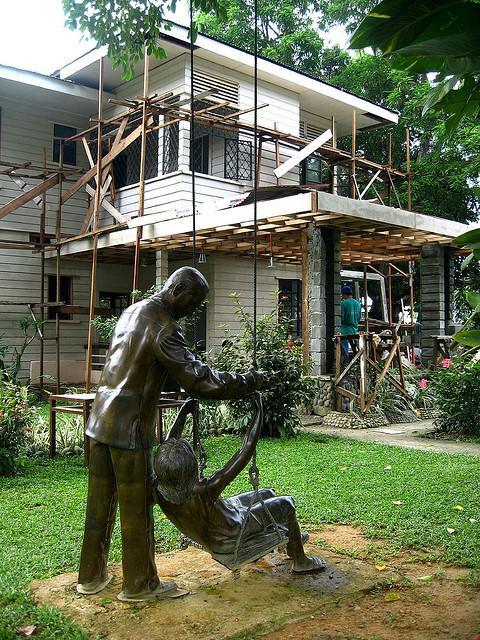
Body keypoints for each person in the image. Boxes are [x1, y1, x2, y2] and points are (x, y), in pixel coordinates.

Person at [77, 267, 264, 602]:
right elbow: (200, 381)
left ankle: (91, 576)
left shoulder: (133, 311)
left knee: (98, 508)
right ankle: (140, 585)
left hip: (99, 423)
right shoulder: (163, 328)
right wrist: (248, 381)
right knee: (136, 512)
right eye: (194, 302)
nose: (194, 311)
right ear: (177, 290)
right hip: (128, 430)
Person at [154, 394, 326, 574]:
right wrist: (259, 410)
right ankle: (301, 560)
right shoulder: (204, 490)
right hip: (233, 535)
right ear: (190, 467)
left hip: (215, 531)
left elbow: (168, 444)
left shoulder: (158, 488)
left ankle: (290, 539)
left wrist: (183, 412)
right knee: (286, 503)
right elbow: (246, 450)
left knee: (267, 493)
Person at [340, 285, 362, 367]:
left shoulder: (343, 303)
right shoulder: (357, 304)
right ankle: (357, 365)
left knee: (344, 350)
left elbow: (341, 318)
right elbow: (359, 317)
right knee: (356, 349)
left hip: (344, 330)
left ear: (343, 294)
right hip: (354, 329)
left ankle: (344, 366)